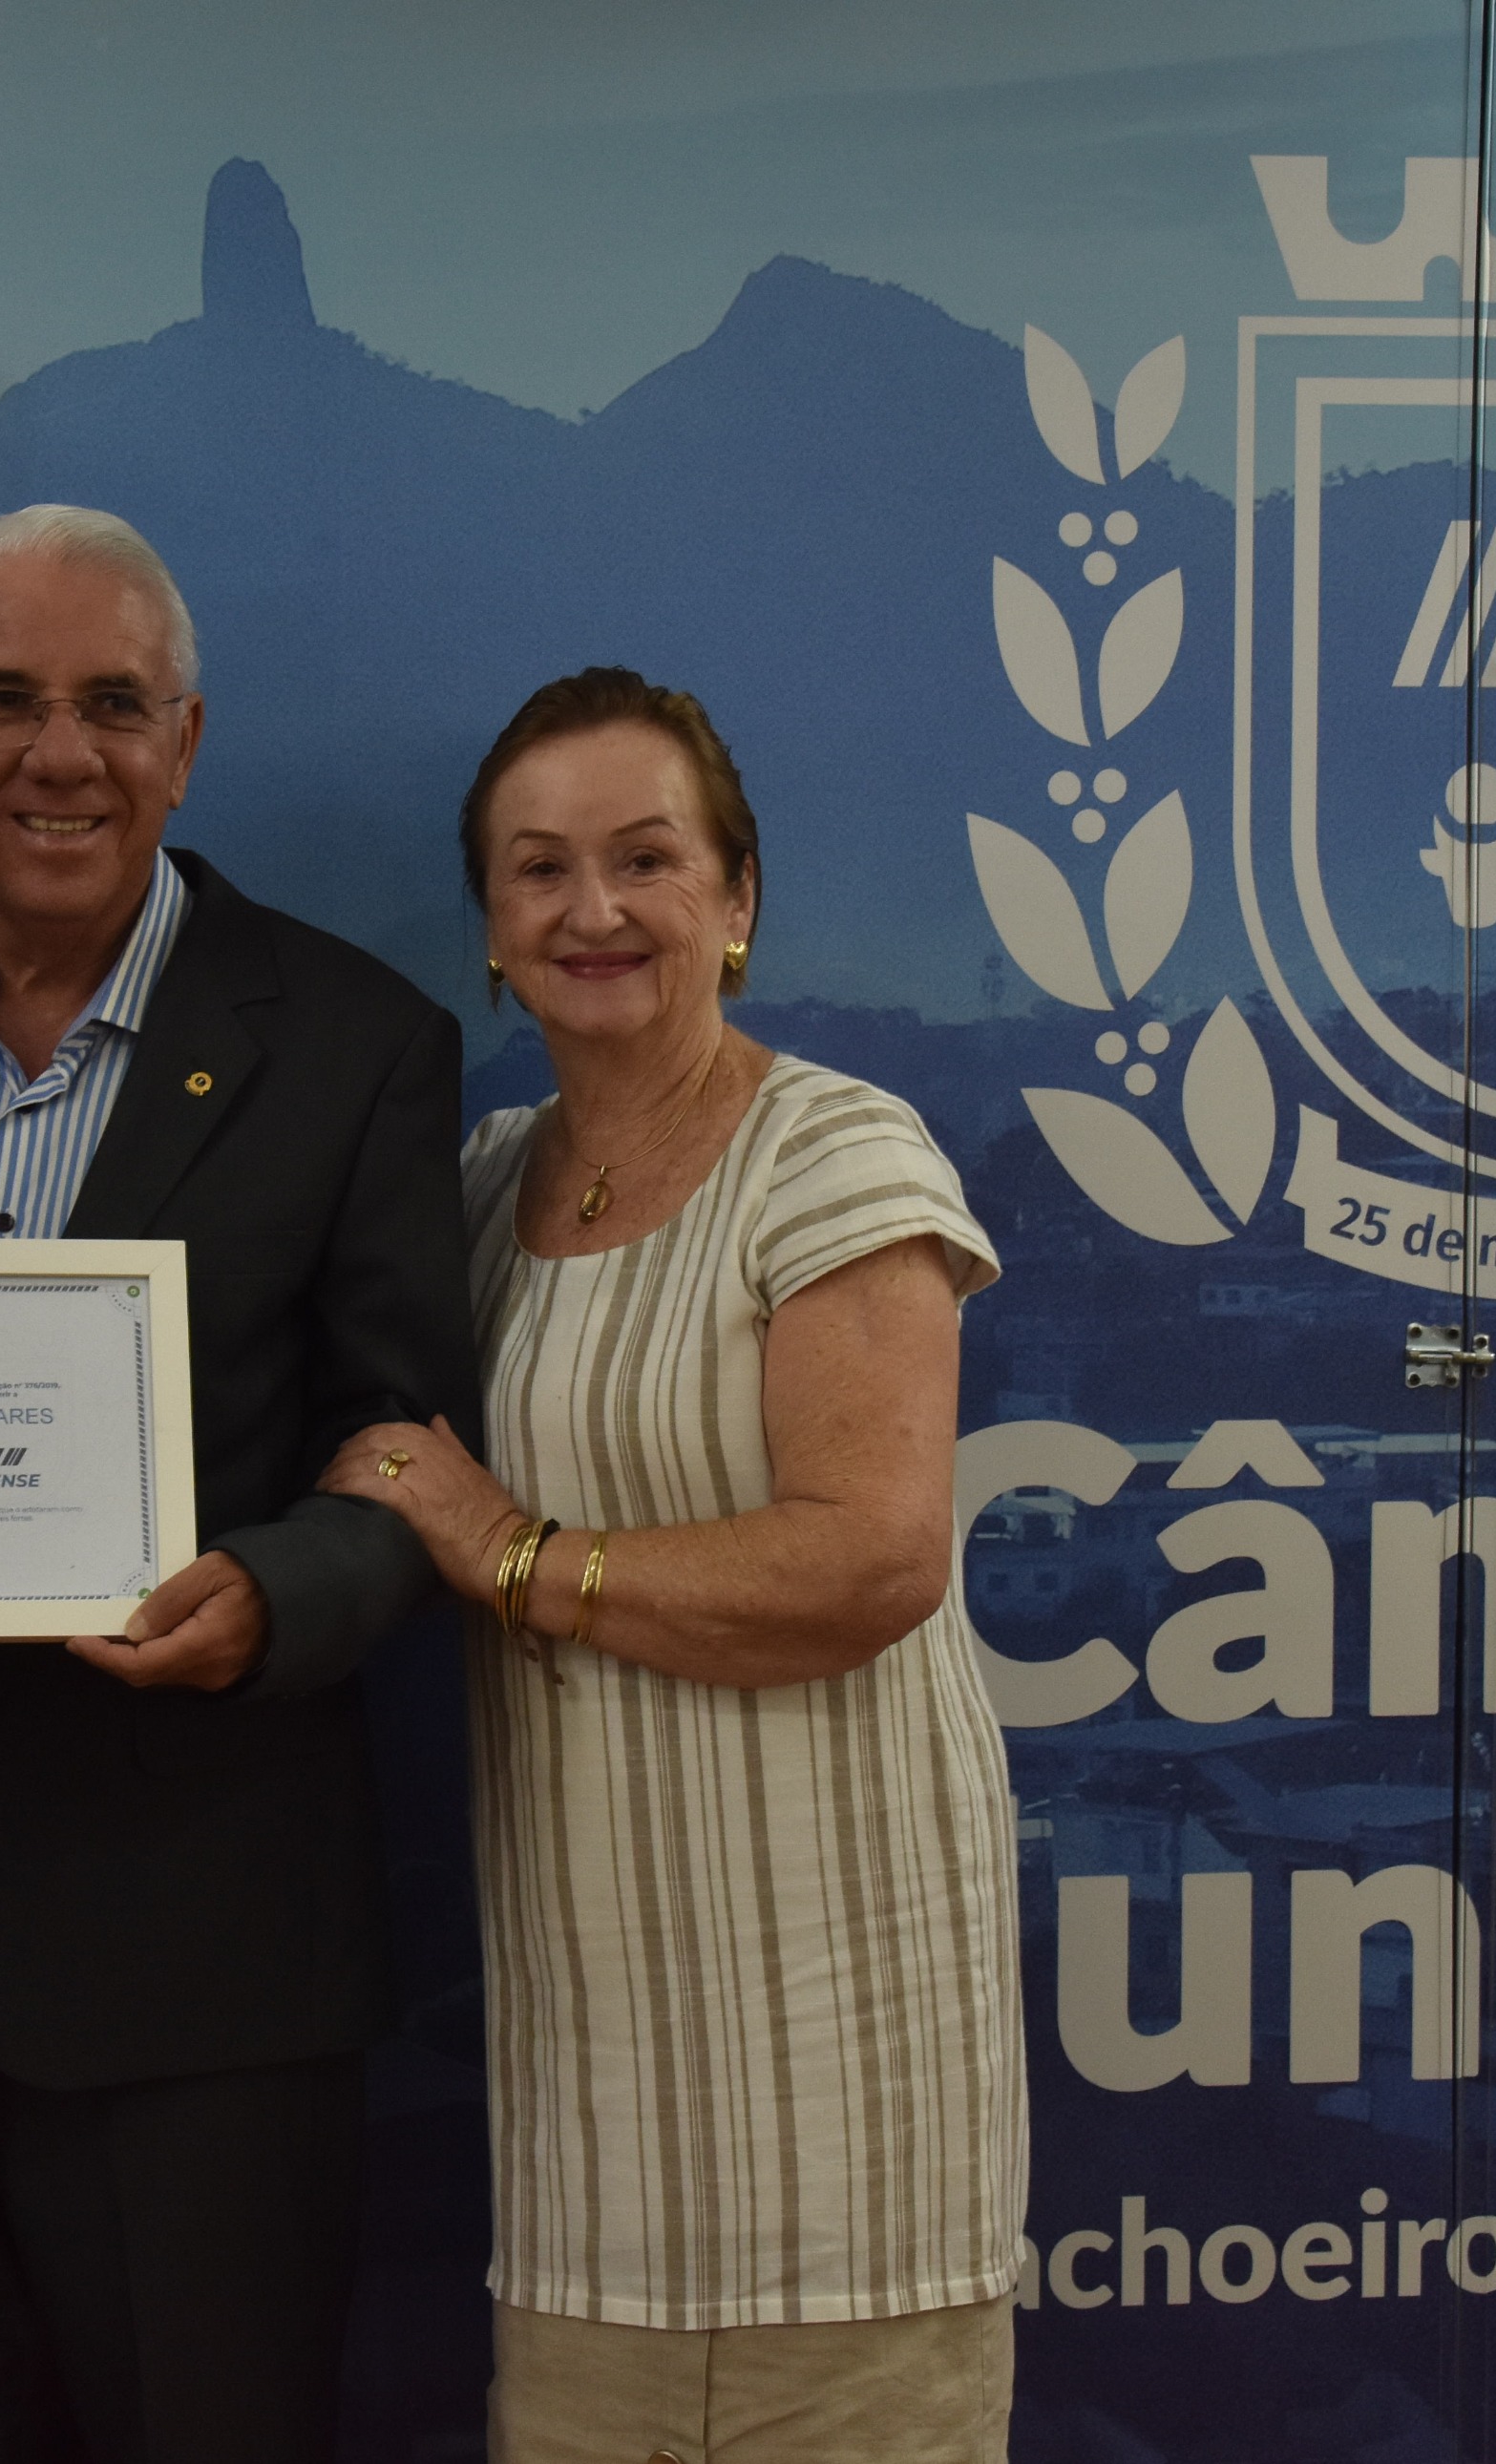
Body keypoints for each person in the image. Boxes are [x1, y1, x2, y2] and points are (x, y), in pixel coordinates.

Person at [0, 502, 477, 2463]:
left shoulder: (357, 1046)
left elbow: (407, 1442)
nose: (59, 755)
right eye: (4, 702)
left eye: (112, 703)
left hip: (206, 1973)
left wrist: (273, 1595)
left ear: (186, 740)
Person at [321, 667, 1026, 2464]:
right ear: (492, 931)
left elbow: (871, 1558)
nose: (595, 909)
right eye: (539, 868)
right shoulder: (479, 1187)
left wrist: (511, 1549)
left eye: (647, 858)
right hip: (593, 2138)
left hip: (845, 2136)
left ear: (738, 897)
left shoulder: (835, 1150)